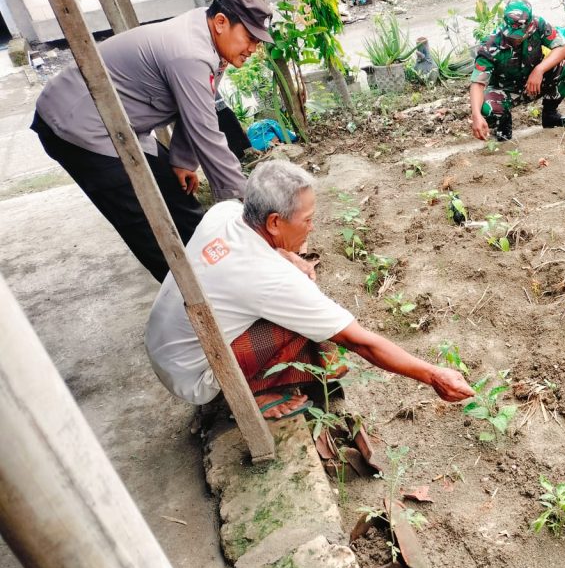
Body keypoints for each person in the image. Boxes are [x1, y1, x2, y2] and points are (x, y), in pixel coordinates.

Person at [145, 160, 474, 424]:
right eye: (307, 220)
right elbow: (359, 341)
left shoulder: (225, 213)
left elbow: (255, 253)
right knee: (318, 333)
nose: (312, 228)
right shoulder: (269, 279)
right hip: (195, 375)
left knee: (307, 314)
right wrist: (433, 375)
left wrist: (287, 253)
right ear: (274, 222)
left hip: (167, 348)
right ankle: (251, 394)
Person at [31, 0, 273, 282]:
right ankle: (191, 298)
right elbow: (207, 136)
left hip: (121, 123)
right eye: (249, 38)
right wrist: (245, 210)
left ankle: (226, 275)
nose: (253, 48)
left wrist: (183, 160)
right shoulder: (190, 52)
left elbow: (199, 105)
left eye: (258, 41)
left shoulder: (210, 36)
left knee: (179, 199)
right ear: (222, 22)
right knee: (146, 223)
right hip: (76, 124)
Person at [469, 0, 565, 142]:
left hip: (535, 83)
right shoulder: (490, 44)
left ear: (529, 26)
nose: (515, 39)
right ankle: (503, 127)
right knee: (486, 108)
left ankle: (550, 115)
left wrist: (539, 69)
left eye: (520, 35)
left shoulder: (538, 25)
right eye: (512, 35)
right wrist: (475, 115)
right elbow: (477, 83)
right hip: (505, 91)